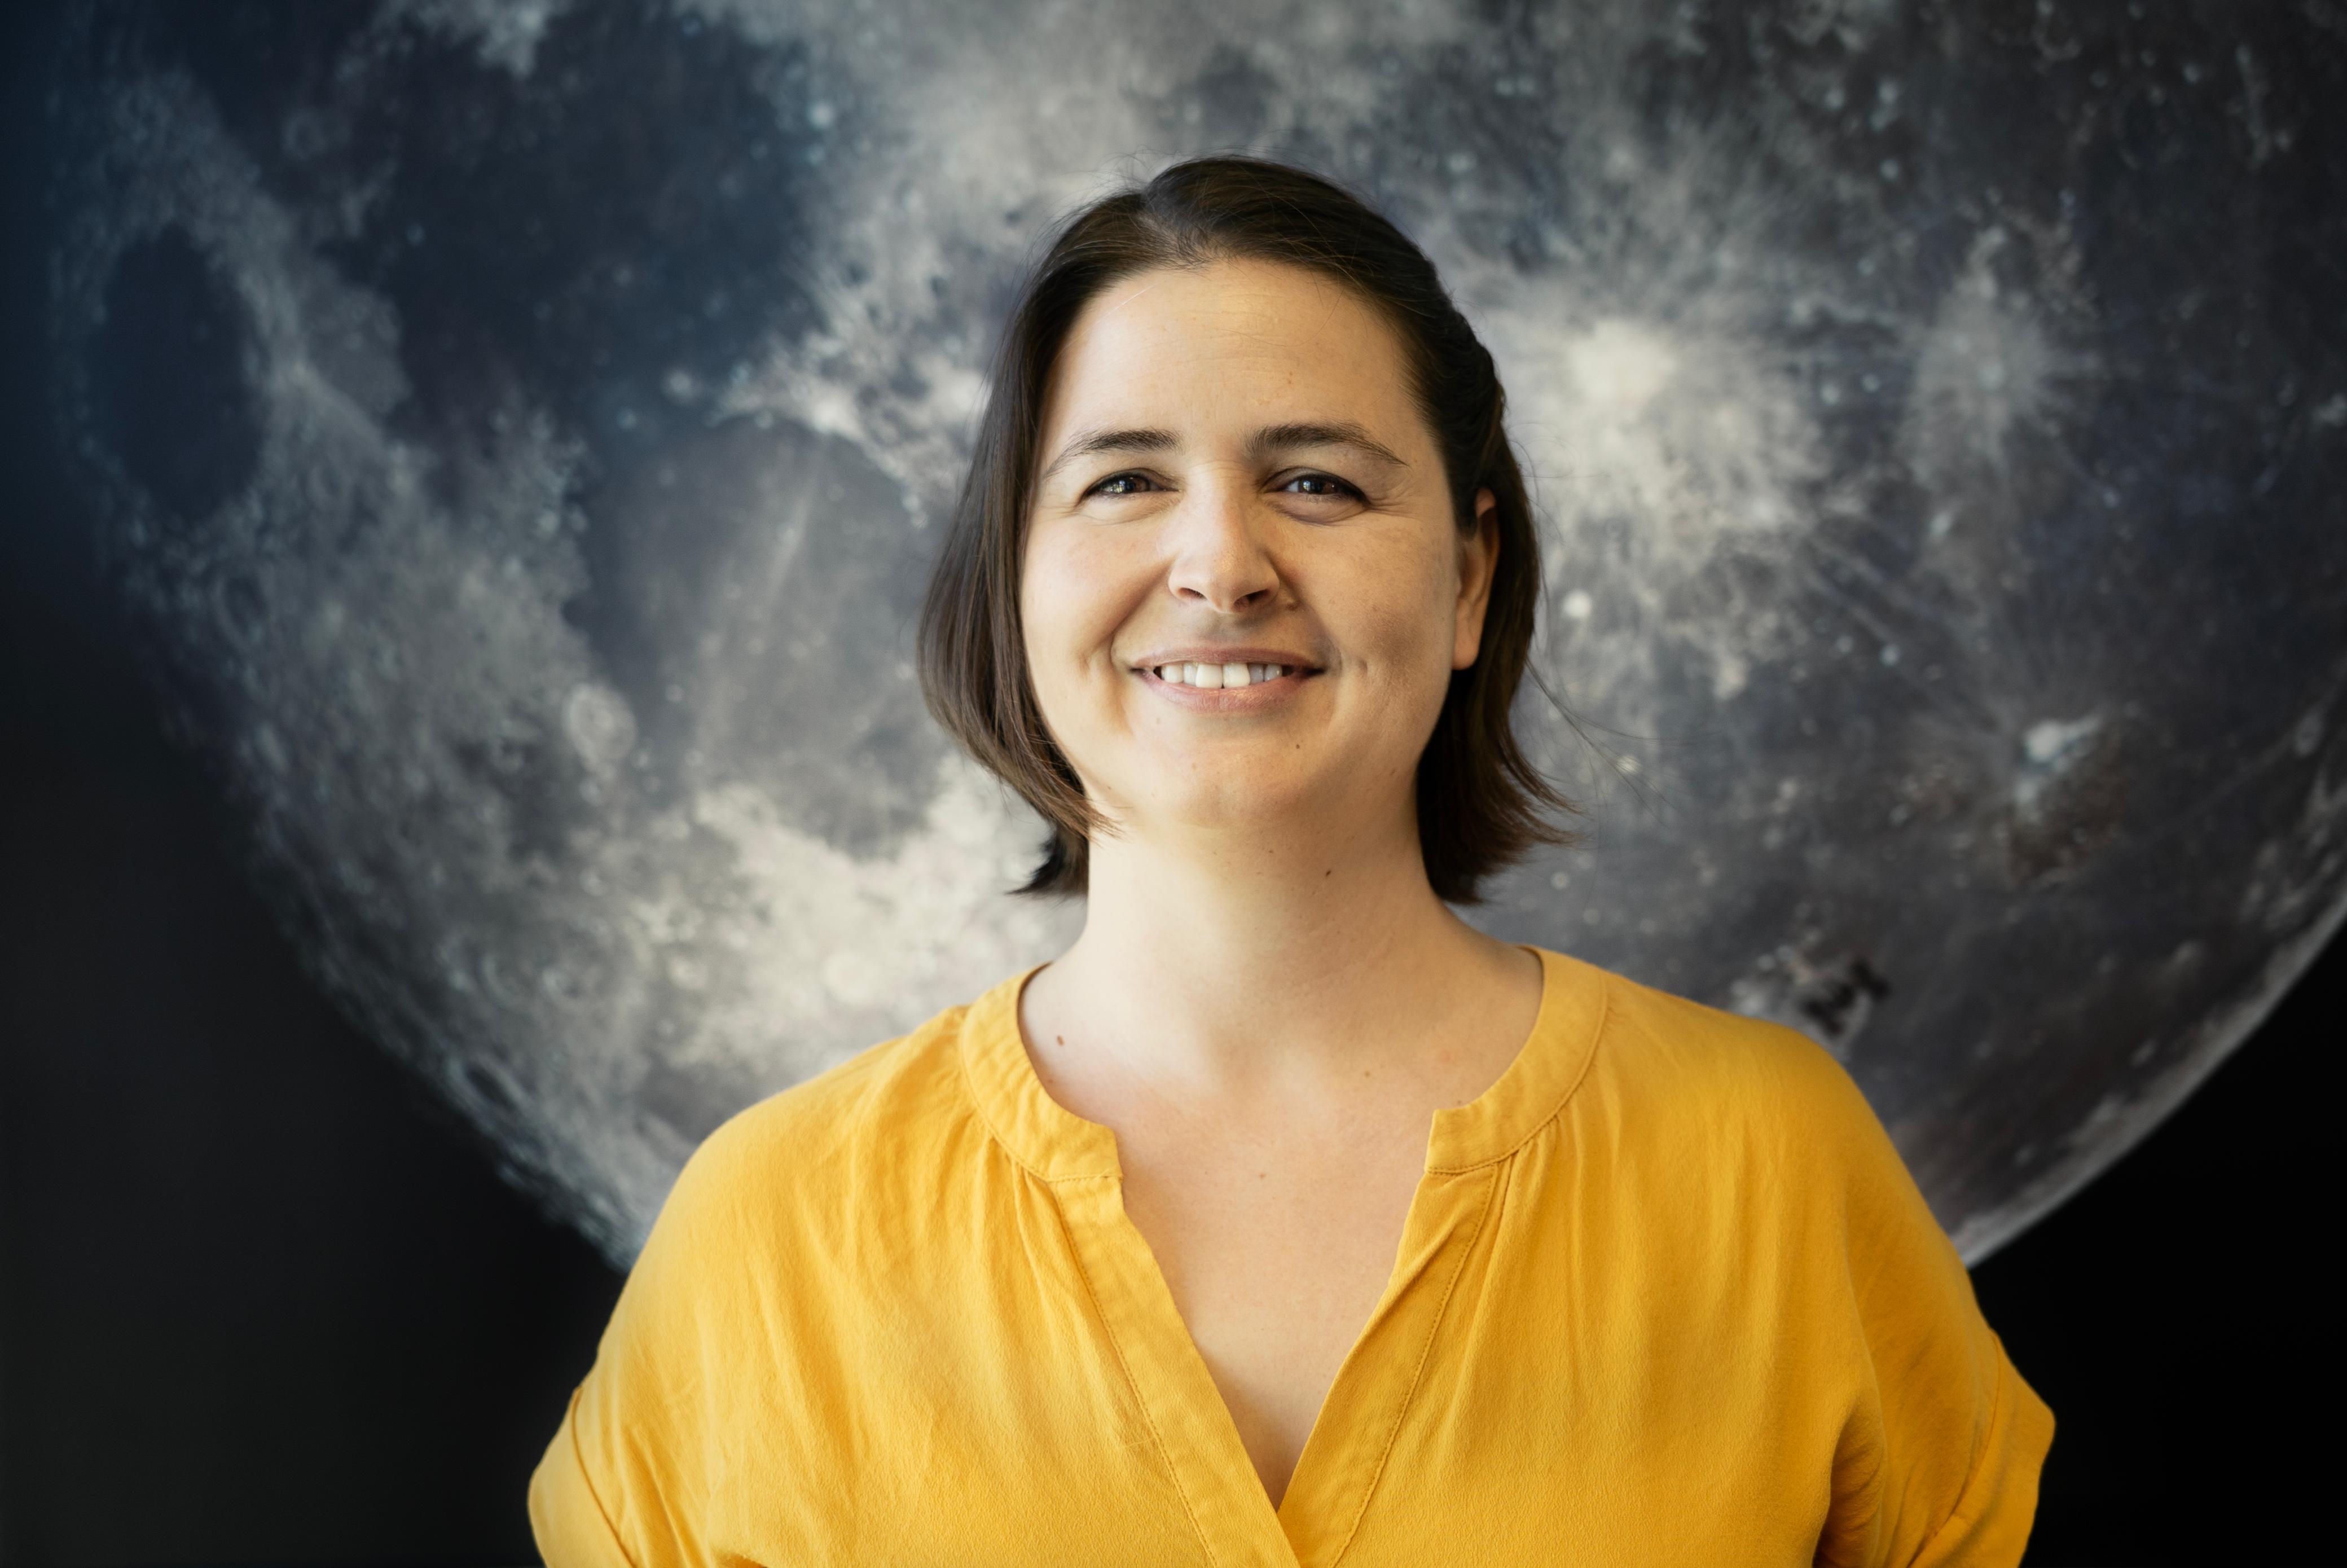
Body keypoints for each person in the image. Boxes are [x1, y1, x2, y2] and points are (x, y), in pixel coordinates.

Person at [530, 154, 2052, 1566]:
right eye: (1124, 480)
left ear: (1469, 578)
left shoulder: (1773, 1167)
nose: (1221, 565)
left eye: (1316, 481)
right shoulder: (767, 1233)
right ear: (1016, 574)